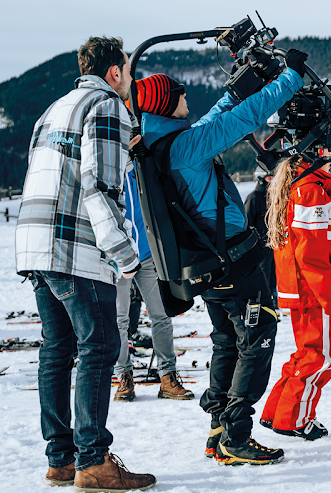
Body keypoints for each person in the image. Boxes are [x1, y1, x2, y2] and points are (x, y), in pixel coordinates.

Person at [140, 51, 308, 466]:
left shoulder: (166, 142)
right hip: (233, 261)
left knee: (227, 341)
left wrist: (237, 88)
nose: (186, 99)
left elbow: (214, 119)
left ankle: (219, 429)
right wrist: (290, 79)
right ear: (165, 103)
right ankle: (236, 433)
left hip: (211, 264)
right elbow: (240, 122)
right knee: (257, 337)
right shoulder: (185, 147)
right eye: (179, 95)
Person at [16, 36, 154, 493]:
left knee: (57, 349)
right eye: (129, 73)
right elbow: (100, 186)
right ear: (114, 72)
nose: (131, 81)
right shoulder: (109, 107)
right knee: (99, 344)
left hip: (35, 242)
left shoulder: (53, 109)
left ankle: (61, 459)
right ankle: (93, 461)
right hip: (75, 245)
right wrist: (124, 254)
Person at [112, 77, 191, 403]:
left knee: (161, 315)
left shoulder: (140, 163)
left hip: (145, 252)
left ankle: (167, 376)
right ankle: (124, 377)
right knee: (118, 321)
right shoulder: (108, 163)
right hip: (116, 253)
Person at [259, 153, 331, 441]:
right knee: (323, 356)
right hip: (314, 289)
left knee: (306, 353)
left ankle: (278, 412)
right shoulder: (310, 189)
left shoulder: (300, 184)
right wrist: (329, 292)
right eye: (330, 151)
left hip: (301, 287)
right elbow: (310, 252)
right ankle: (295, 419)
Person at [244, 173, 277, 299]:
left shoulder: (276, 197)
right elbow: (247, 223)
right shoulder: (254, 197)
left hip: (274, 243)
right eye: (269, 177)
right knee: (263, 274)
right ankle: (263, 300)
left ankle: (273, 299)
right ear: (262, 179)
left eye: (274, 177)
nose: (272, 180)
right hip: (260, 245)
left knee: (273, 273)